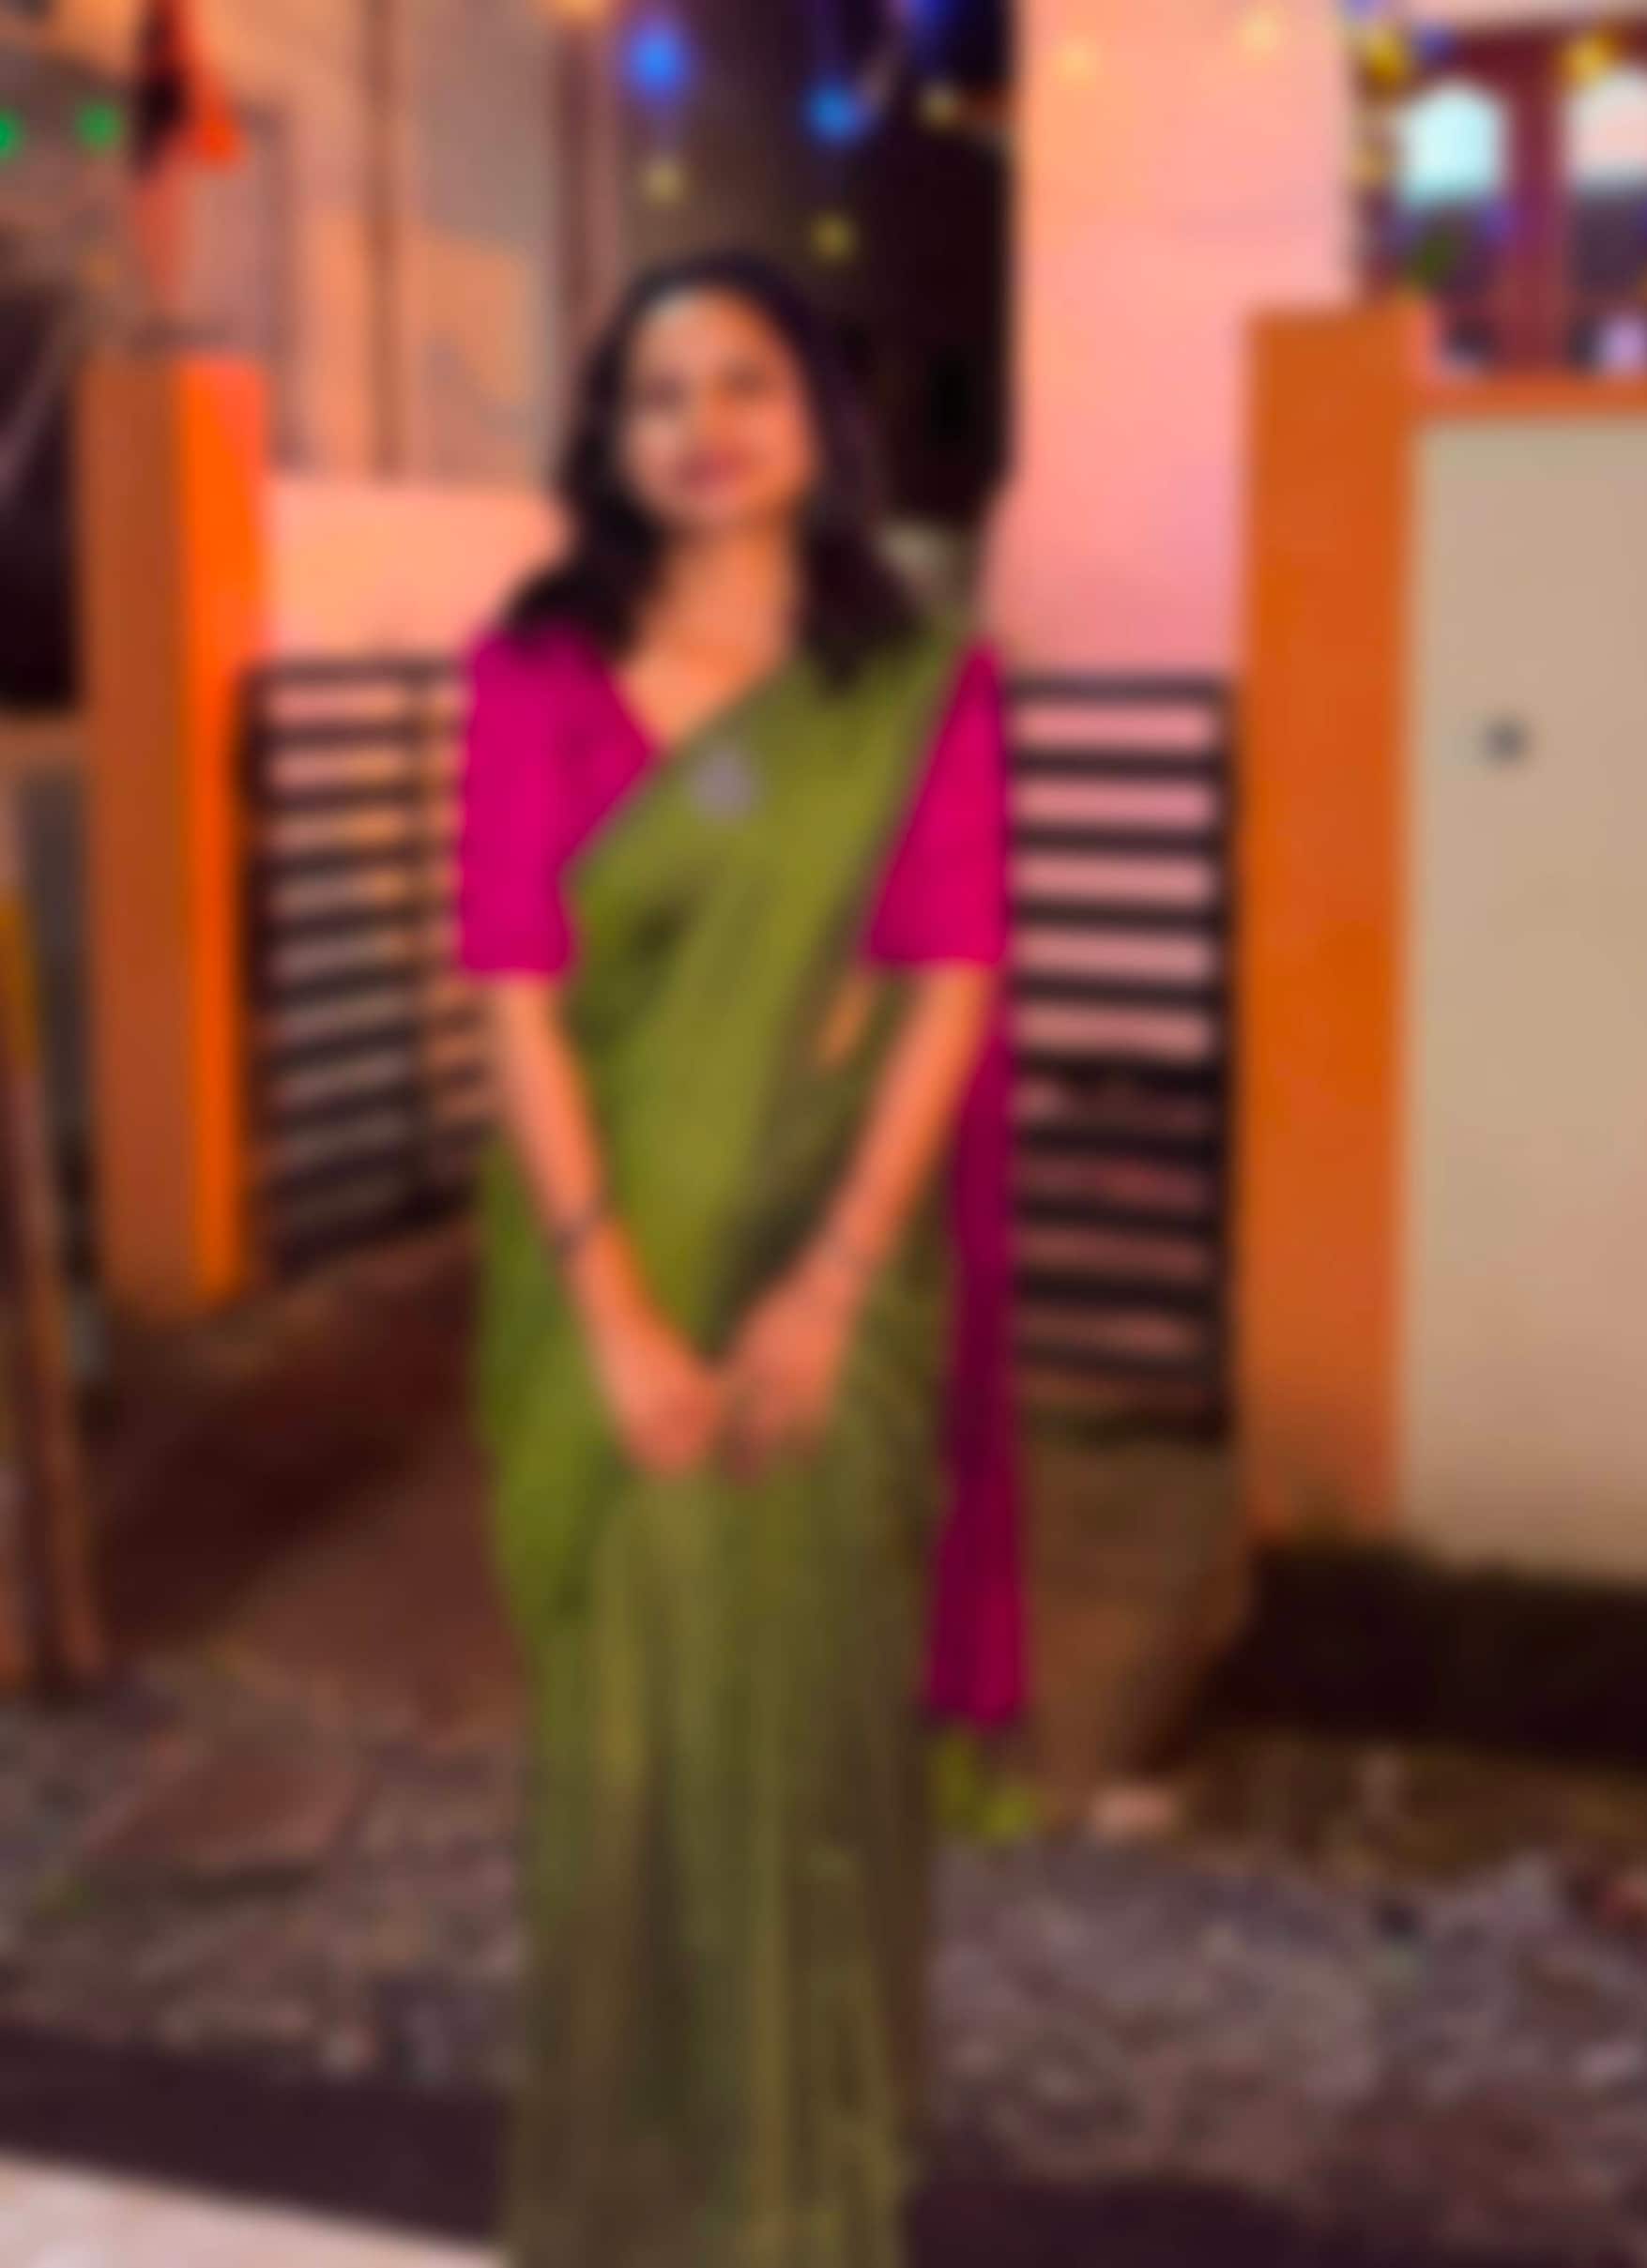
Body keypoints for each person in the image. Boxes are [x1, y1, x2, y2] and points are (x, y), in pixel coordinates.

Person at [454, 249, 1026, 2268]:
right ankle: (631, 2205)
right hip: (602, 1274)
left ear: (818, 421)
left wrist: (836, 1276)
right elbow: (517, 994)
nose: (701, 426)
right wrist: (613, 1307)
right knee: (631, 1762)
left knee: (805, 1746)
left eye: (745, 382)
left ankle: (807, 2189)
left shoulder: (910, 684)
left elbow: (950, 980)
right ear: (608, 441)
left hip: (826, 1262)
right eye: (656, 392)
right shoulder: (536, 669)